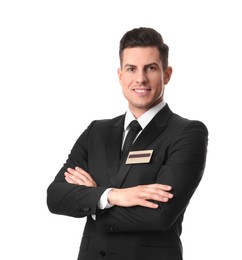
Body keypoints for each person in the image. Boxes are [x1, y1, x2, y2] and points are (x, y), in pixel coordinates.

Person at [47, 27, 208, 260]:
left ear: (167, 74)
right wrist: (112, 196)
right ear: (120, 75)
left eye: (150, 68)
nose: (140, 78)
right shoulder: (96, 131)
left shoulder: (187, 133)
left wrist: (94, 201)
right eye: (131, 69)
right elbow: (56, 196)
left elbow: (160, 215)